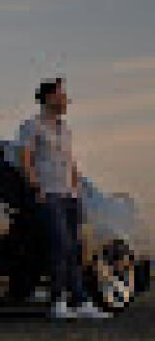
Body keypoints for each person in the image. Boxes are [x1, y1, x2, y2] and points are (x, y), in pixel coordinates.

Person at [17, 77, 110, 318]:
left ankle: (81, 302)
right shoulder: (31, 126)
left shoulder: (65, 129)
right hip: (49, 195)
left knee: (74, 248)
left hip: (70, 196)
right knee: (60, 246)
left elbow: (70, 160)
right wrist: (36, 188)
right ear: (50, 98)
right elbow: (25, 159)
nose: (67, 100)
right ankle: (58, 301)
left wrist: (77, 188)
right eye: (62, 95)